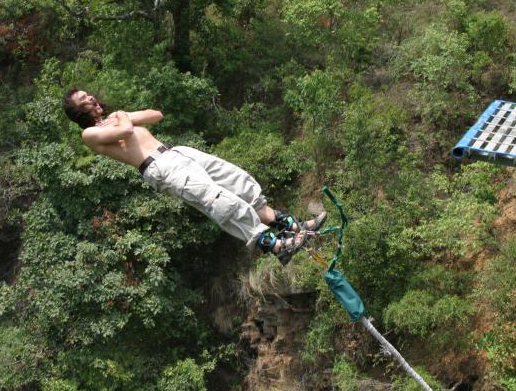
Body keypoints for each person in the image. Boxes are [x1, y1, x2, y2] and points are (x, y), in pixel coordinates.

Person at [62, 89, 326, 265]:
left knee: (239, 182)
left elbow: (156, 115)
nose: (91, 98)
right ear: (78, 111)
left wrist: (120, 115)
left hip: (177, 153)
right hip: (160, 167)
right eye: (84, 99)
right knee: (220, 200)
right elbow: (128, 130)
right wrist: (122, 117)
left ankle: (293, 226)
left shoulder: (115, 119)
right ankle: (278, 246)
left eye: (89, 95)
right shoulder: (90, 135)